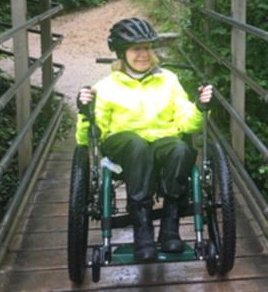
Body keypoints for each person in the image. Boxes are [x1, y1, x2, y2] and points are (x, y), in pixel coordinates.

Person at [75, 17, 213, 261]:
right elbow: (88, 138)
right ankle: (143, 233)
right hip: (122, 144)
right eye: (136, 49)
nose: (143, 54)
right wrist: (85, 112)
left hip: (161, 140)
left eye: (148, 48)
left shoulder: (168, 80)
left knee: (181, 149)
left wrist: (201, 107)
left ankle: (170, 229)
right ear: (121, 53)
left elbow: (185, 121)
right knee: (137, 146)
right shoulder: (105, 87)